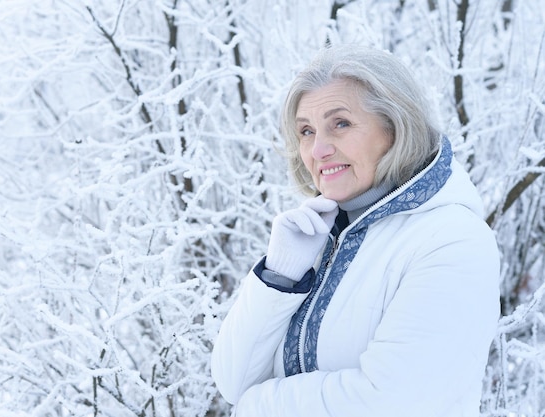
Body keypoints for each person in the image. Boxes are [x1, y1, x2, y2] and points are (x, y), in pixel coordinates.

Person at [210, 45, 500, 417]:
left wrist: (256, 407)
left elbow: (392, 402)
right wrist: (280, 276)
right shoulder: (318, 238)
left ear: (395, 128)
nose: (318, 149)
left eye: (341, 124)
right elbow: (232, 381)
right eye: (306, 131)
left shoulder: (452, 241)